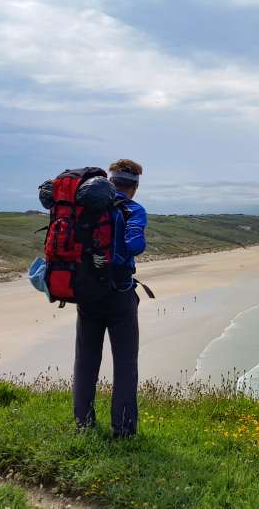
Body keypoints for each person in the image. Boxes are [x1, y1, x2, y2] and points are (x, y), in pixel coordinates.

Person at [73, 159, 147, 437]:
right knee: (125, 364)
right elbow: (135, 246)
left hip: (87, 294)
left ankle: (84, 425)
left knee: (86, 361)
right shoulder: (132, 209)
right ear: (135, 186)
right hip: (119, 295)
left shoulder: (86, 206)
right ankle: (124, 430)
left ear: (110, 180)